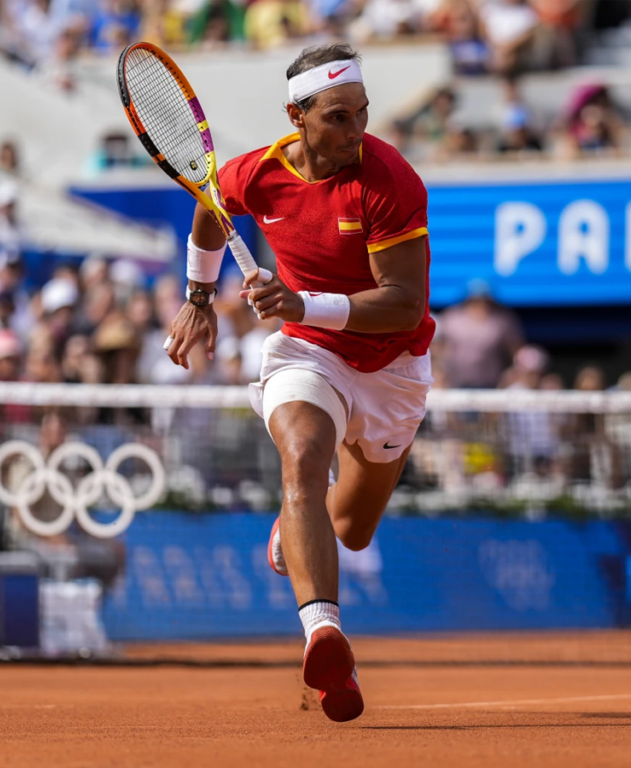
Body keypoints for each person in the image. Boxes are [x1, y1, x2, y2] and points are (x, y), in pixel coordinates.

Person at [164, 44, 434, 723]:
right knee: (303, 459)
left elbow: (404, 303)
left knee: (354, 526)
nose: (355, 132)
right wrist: (199, 297)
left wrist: (301, 301)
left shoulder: (389, 179)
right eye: (338, 118)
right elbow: (208, 207)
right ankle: (323, 633)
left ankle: (299, 519)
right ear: (298, 116)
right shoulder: (258, 173)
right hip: (309, 354)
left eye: (362, 115)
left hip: (391, 366)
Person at [437, 279, 524, 388]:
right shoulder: (451, 318)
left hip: (491, 385)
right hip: (455, 383)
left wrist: (513, 373)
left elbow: (515, 350)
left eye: (484, 300)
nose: (480, 304)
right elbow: (438, 348)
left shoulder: (502, 320)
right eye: (475, 301)